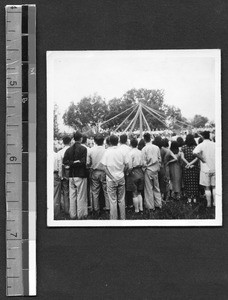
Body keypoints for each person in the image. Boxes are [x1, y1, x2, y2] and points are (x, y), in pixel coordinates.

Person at [101, 134, 128, 220]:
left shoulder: (107, 152)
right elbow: (127, 164)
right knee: (121, 199)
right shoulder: (121, 151)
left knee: (112, 200)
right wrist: (123, 171)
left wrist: (112, 177)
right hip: (121, 176)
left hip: (111, 178)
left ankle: (114, 219)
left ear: (110, 142)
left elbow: (104, 167)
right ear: (118, 141)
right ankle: (123, 218)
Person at [63, 131, 88, 219]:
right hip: (80, 175)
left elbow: (65, 162)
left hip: (71, 175)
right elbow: (83, 162)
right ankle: (80, 215)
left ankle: (72, 215)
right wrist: (76, 162)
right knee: (81, 196)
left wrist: (72, 163)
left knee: (72, 196)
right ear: (81, 139)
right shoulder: (83, 149)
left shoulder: (68, 150)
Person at [87, 134, 109, 216]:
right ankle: (108, 208)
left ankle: (96, 209)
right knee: (106, 191)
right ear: (103, 141)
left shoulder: (91, 150)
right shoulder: (106, 150)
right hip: (104, 171)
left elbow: (88, 163)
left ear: (95, 141)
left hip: (95, 171)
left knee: (95, 191)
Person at [193, 131, 215, 207]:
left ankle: (209, 204)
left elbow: (195, 152)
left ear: (202, 137)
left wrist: (202, 159)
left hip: (205, 168)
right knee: (214, 186)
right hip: (214, 167)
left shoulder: (201, 145)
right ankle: (215, 203)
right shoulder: (214, 144)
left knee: (207, 187)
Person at [141, 132, 162, 213]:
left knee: (149, 188)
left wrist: (144, 169)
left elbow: (143, 162)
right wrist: (158, 166)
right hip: (155, 169)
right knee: (156, 187)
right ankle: (158, 204)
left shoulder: (144, 149)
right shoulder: (156, 148)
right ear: (150, 138)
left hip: (148, 169)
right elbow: (159, 159)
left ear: (144, 139)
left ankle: (150, 206)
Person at [126, 138, 144, 214]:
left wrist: (127, 173)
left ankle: (136, 209)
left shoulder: (130, 153)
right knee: (139, 192)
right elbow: (143, 163)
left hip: (133, 172)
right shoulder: (141, 152)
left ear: (130, 144)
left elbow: (130, 166)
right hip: (140, 171)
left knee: (134, 192)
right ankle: (141, 208)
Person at [181, 134, 199, 203]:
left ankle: (189, 198)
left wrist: (188, 164)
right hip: (194, 167)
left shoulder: (183, 147)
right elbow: (197, 158)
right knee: (194, 182)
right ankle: (194, 198)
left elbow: (182, 157)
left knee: (187, 182)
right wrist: (191, 164)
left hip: (186, 167)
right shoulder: (196, 147)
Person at [57, 135, 72, 215]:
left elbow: (60, 165)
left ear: (63, 142)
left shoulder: (60, 152)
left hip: (64, 174)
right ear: (70, 142)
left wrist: (61, 176)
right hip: (73, 174)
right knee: (73, 192)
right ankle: (73, 209)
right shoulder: (72, 150)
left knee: (65, 192)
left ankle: (67, 210)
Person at [54, 149, 61, 219]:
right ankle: (55, 213)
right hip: (55, 174)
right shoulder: (56, 155)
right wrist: (60, 175)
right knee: (56, 195)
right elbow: (59, 167)